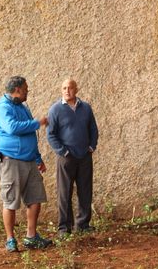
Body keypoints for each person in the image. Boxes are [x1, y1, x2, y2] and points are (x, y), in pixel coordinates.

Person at [0, 76, 52, 252]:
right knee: (10, 201)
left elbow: (29, 137)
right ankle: (10, 239)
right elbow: (13, 128)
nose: (28, 91)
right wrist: (37, 123)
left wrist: (37, 158)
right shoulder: (3, 108)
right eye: (26, 88)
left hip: (29, 160)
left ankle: (31, 236)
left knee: (35, 199)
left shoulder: (23, 107)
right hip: (11, 161)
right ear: (18, 89)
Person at [47, 79, 99, 237]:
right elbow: (51, 134)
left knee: (85, 191)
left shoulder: (86, 108)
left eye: (70, 88)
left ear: (76, 89)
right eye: (64, 88)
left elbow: (93, 129)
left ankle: (83, 224)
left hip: (84, 156)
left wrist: (91, 146)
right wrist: (63, 152)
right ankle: (64, 228)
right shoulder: (55, 109)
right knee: (65, 192)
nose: (67, 91)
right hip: (66, 158)